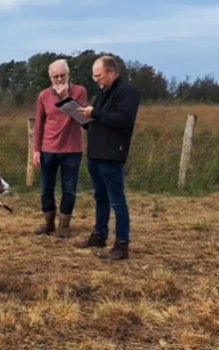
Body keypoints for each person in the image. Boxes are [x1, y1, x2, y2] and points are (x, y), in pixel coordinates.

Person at [74, 55, 140, 260]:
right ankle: (99, 235)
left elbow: (124, 119)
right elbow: (98, 119)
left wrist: (97, 114)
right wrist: (83, 119)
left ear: (111, 72)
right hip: (95, 153)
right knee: (100, 197)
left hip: (112, 155)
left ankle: (122, 244)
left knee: (117, 201)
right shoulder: (102, 94)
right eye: (94, 77)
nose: (96, 80)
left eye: (99, 75)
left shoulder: (127, 93)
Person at [32, 59, 88, 238]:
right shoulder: (43, 96)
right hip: (48, 149)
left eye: (62, 75)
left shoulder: (79, 91)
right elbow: (39, 124)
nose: (59, 79)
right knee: (47, 189)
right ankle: (49, 223)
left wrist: (65, 97)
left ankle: (64, 226)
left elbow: (82, 119)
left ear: (68, 75)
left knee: (69, 190)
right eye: (55, 76)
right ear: (50, 77)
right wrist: (36, 150)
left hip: (72, 149)